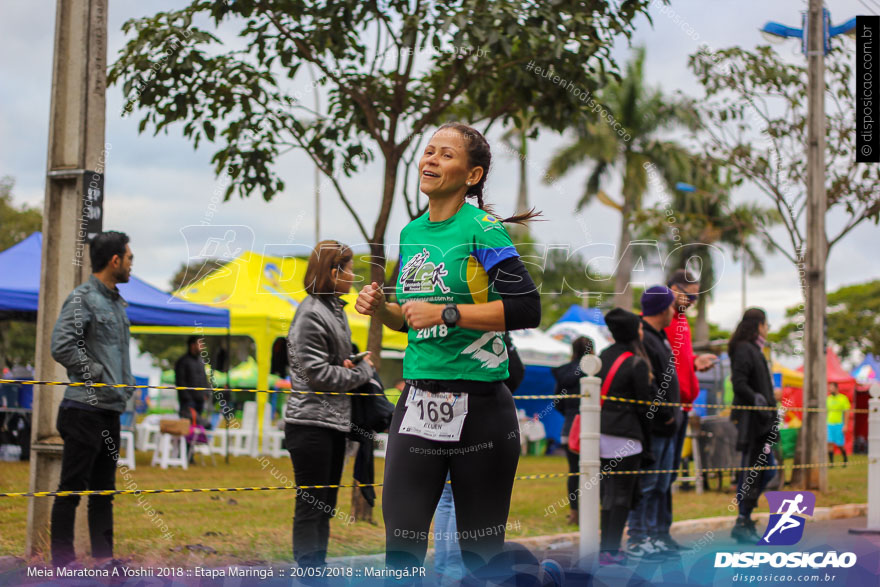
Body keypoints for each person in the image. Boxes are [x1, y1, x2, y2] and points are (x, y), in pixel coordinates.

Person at [355, 122, 541, 573]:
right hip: (419, 402)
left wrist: (448, 313)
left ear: (472, 176)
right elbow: (409, 320)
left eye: (446, 154)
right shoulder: (412, 233)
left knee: (480, 560)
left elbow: (526, 308)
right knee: (401, 546)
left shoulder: (483, 230)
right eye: (429, 151)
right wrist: (381, 308)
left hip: (480, 407)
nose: (431, 160)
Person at [283, 240, 375, 568]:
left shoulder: (334, 310)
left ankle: (316, 572)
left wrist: (348, 362)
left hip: (332, 423)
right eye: (350, 269)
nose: (355, 275)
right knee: (311, 508)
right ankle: (309, 575)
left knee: (324, 507)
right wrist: (363, 371)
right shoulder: (311, 313)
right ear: (334, 272)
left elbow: (330, 363)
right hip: (310, 424)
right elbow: (317, 374)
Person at [49, 231, 135, 568]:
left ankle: (103, 563)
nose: (131, 265)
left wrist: (123, 388)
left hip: (110, 410)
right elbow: (62, 345)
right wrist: (96, 372)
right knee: (71, 489)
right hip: (83, 409)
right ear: (115, 260)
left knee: (104, 494)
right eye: (129, 258)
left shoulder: (117, 302)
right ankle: (61, 565)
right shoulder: (83, 299)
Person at [659, 269, 717, 550]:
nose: (693, 301)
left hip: (683, 405)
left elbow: (680, 361)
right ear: (671, 288)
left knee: (669, 474)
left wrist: (695, 362)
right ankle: (651, 535)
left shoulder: (682, 321)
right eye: (689, 295)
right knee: (658, 475)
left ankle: (662, 534)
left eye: (696, 296)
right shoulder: (664, 318)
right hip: (667, 406)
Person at [626, 285, 680, 558]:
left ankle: (654, 535)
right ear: (661, 308)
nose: (674, 311)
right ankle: (638, 538)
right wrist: (665, 414)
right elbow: (650, 383)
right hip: (656, 427)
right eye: (671, 305)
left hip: (669, 426)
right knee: (647, 484)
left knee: (660, 484)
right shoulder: (644, 338)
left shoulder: (660, 337)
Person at [598, 309, 654, 565]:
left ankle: (605, 548)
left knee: (609, 494)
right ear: (633, 332)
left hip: (599, 434)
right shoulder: (636, 363)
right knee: (622, 494)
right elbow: (645, 407)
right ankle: (611, 550)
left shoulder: (602, 356)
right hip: (627, 437)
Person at [729, 308, 778, 543]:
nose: (767, 329)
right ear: (758, 325)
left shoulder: (756, 350)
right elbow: (738, 382)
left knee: (766, 470)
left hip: (764, 420)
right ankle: (742, 519)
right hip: (752, 422)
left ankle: (745, 517)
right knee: (755, 469)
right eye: (766, 324)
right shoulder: (744, 349)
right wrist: (755, 398)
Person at [551, 336, 594, 525]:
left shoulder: (564, 373)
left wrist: (570, 413)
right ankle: (593, 510)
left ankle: (574, 513)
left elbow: (557, 401)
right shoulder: (594, 371)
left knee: (574, 471)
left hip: (569, 427)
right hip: (593, 425)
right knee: (596, 470)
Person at [174, 336, 210, 420]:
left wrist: (206, 393)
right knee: (188, 428)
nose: (202, 347)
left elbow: (204, 379)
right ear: (193, 345)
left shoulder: (201, 361)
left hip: (200, 401)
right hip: (188, 403)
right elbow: (180, 382)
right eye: (200, 344)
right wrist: (187, 399)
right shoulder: (183, 361)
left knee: (197, 428)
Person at [827, 382, 850, 466]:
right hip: (829, 424)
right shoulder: (828, 399)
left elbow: (847, 412)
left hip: (839, 424)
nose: (830, 389)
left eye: (831, 387)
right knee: (829, 442)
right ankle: (831, 463)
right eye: (829, 387)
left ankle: (845, 459)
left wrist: (846, 425)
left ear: (836, 388)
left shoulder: (843, 398)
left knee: (840, 444)